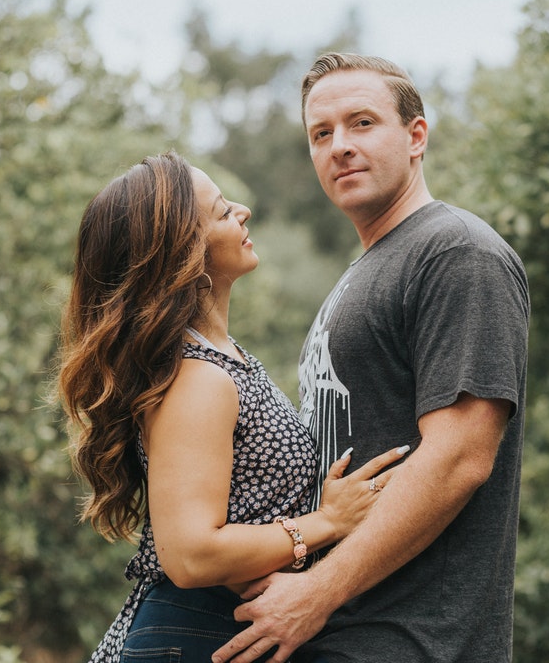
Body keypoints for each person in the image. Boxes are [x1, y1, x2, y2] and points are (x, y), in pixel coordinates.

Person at [212, 54, 530, 663]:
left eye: (362, 123)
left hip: (411, 641)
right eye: (321, 133)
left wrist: (317, 593)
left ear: (416, 136)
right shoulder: (369, 269)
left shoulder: (456, 253)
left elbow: (460, 457)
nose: (339, 147)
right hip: (341, 636)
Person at [57, 151, 408, 662]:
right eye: (223, 212)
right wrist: (327, 523)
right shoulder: (199, 377)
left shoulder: (221, 358)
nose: (242, 211)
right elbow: (191, 555)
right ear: (184, 256)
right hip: (195, 633)